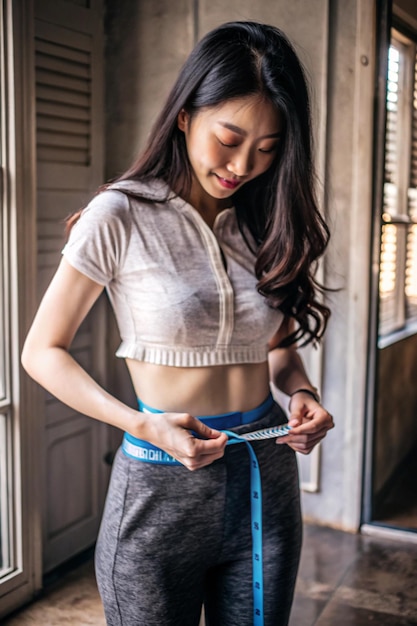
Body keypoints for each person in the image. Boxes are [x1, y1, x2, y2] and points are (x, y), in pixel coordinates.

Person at [22, 20, 334, 626]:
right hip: (161, 482)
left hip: (265, 476)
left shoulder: (263, 223)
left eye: (268, 148)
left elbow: (277, 351)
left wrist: (302, 393)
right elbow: (41, 351)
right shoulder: (119, 214)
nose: (244, 164)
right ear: (187, 114)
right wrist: (140, 422)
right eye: (230, 137)